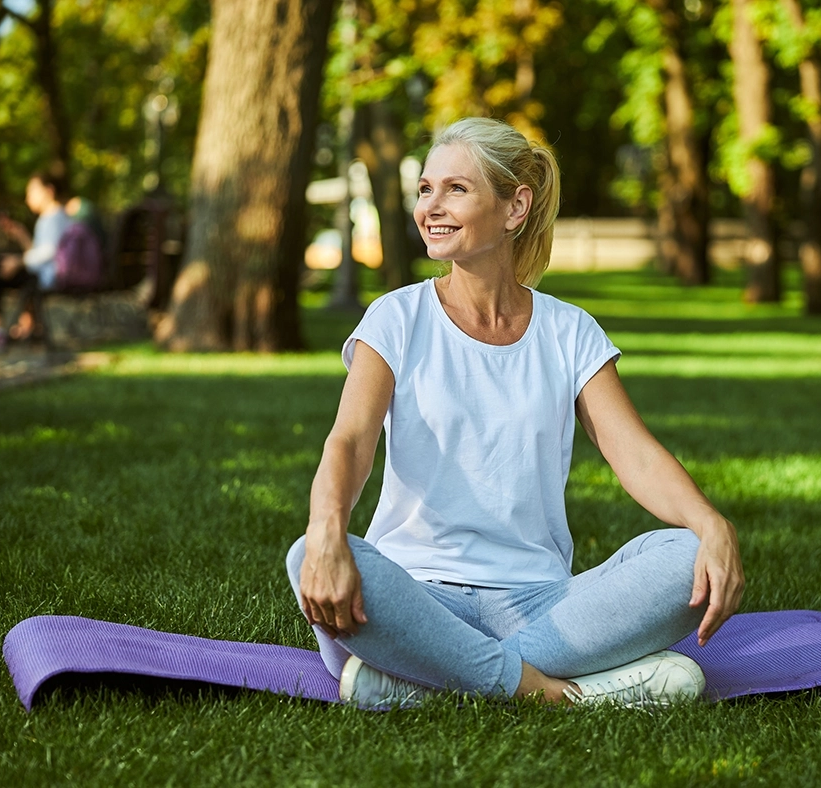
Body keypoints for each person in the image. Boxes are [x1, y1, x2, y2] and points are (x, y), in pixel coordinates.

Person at [286, 118, 745, 709]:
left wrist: (711, 525)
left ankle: (425, 678)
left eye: (456, 189)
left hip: (539, 603)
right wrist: (327, 532)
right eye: (426, 188)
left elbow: (632, 452)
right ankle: (549, 692)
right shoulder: (395, 319)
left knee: (686, 559)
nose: (431, 206)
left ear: (514, 207)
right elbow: (349, 442)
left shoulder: (568, 330)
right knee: (308, 556)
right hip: (415, 592)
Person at [0, 172, 74, 340]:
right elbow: (37, 252)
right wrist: (21, 235)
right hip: (41, 275)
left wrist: (19, 261)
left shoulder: (56, 217)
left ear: (49, 191)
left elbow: (49, 253)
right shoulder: (46, 219)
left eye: (32, 191)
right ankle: (12, 328)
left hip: (48, 277)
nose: (28, 198)